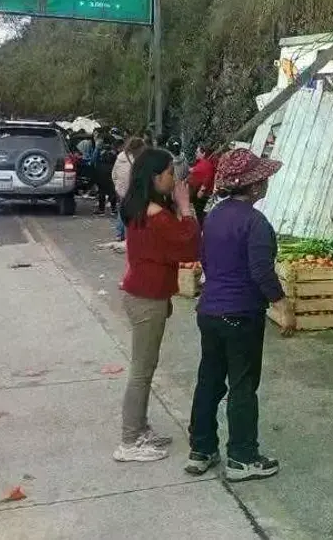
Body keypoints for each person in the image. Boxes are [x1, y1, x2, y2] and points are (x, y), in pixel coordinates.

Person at [184, 148, 296, 482]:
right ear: (255, 186)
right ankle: (242, 456)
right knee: (243, 384)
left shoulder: (215, 215)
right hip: (241, 315)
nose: (266, 183)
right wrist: (283, 306)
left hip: (210, 311)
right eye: (263, 178)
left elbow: (205, 258)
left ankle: (201, 449)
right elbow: (262, 271)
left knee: (210, 380)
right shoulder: (256, 223)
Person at [114, 148, 200, 462]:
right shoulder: (158, 216)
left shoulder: (141, 207)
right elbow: (189, 245)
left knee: (145, 368)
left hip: (146, 294)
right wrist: (186, 206)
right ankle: (128, 440)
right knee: (141, 371)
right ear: (154, 176)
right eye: (168, 173)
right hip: (145, 298)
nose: (173, 179)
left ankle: (139, 428)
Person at [111, 137, 145, 242]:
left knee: (122, 210)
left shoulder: (120, 157)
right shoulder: (139, 158)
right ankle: (128, 237)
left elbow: (113, 174)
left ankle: (118, 234)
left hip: (121, 189)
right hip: (133, 191)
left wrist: (118, 185)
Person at [188, 145, 216, 226]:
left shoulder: (206, 164)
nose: (195, 153)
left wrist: (202, 190)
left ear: (203, 154)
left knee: (199, 213)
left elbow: (208, 177)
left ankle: (200, 228)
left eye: (197, 152)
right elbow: (194, 170)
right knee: (198, 212)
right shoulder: (201, 163)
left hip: (202, 195)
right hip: (198, 193)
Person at [94, 138, 120, 216]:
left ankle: (101, 210)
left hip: (102, 172)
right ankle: (113, 209)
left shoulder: (101, 153)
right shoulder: (114, 154)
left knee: (101, 192)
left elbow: (95, 161)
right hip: (111, 171)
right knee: (112, 192)